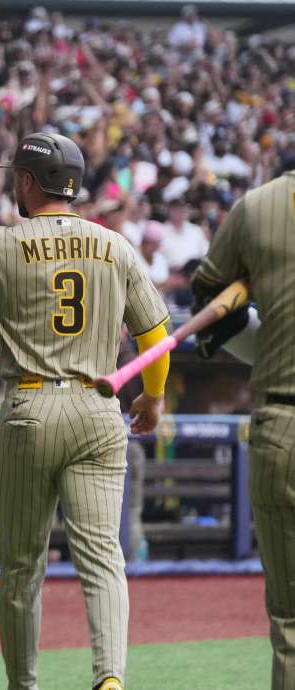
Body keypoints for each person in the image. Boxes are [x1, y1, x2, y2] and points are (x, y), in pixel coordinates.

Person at [0, 118, 169, 690]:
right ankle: (109, 677)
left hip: (29, 407)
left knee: (22, 567)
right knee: (102, 560)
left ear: (26, 182)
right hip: (99, 408)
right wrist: (154, 398)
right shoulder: (115, 245)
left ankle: (24, 684)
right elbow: (156, 333)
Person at [191, 165, 295, 690]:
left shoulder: (258, 206)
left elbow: (210, 304)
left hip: (283, 419)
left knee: (293, 617)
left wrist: (270, 351)